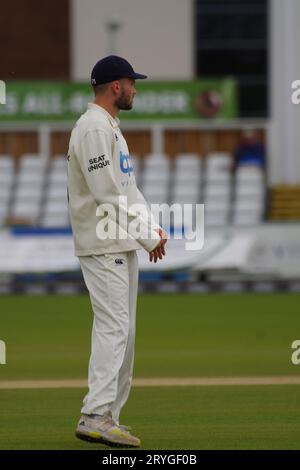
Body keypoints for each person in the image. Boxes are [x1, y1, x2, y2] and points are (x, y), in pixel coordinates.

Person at [67, 55, 167, 448]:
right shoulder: (92, 127)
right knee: (113, 327)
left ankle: (108, 416)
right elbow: (106, 195)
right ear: (115, 87)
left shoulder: (110, 127)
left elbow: (128, 189)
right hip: (103, 241)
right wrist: (145, 236)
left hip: (120, 240)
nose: (135, 89)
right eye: (132, 83)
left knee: (125, 331)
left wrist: (150, 229)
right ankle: (94, 413)